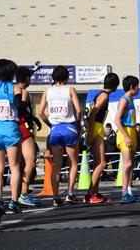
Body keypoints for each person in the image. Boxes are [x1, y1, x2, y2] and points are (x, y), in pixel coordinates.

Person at [37, 65, 82, 206]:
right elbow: (79, 111)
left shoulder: (47, 91)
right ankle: (70, 194)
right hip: (70, 128)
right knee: (73, 163)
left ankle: (55, 196)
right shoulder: (70, 90)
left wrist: (50, 124)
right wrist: (78, 124)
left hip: (55, 130)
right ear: (66, 77)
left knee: (56, 165)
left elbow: (40, 113)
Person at [86, 72, 119, 203]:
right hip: (96, 127)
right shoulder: (104, 96)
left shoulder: (101, 94)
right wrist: (89, 132)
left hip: (96, 127)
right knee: (102, 163)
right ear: (115, 86)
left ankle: (95, 193)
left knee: (97, 163)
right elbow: (94, 112)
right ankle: (90, 194)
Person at [0, 59, 23, 213]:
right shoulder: (15, 88)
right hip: (11, 129)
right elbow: (19, 106)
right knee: (15, 167)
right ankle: (13, 201)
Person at [15, 66, 42, 207]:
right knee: (30, 162)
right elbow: (20, 107)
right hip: (23, 129)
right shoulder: (22, 91)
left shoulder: (8, 89)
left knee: (17, 165)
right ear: (26, 79)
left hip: (11, 129)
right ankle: (23, 194)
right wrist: (32, 118)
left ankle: (16, 194)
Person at [114, 75, 140, 203]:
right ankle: (124, 192)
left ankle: (129, 191)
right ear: (132, 87)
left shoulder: (130, 100)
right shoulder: (124, 100)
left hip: (131, 131)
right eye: (137, 86)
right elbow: (117, 120)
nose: (139, 89)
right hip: (125, 132)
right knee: (128, 164)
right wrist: (125, 136)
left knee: (131, 164)